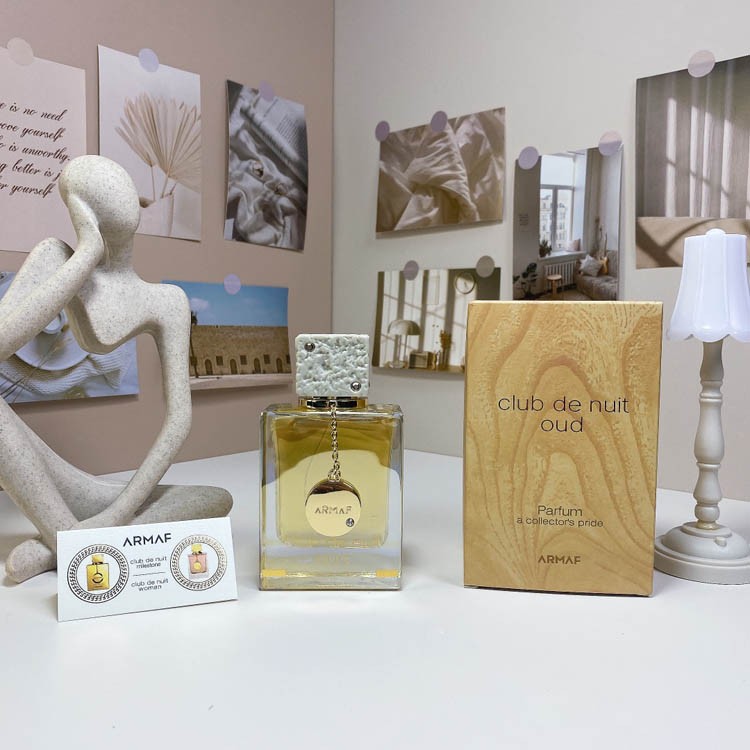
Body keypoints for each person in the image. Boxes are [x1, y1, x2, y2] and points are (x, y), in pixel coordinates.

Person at [0, 155, 232, 583]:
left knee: (216, 499)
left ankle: (61, 544)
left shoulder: (166, 301)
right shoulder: (57, 258)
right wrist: (87, 253)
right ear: (79, 210)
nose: (120, 195)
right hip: (65, 483)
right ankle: (70, 541)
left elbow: (179, 420)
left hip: (105, 499)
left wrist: (117, 513)